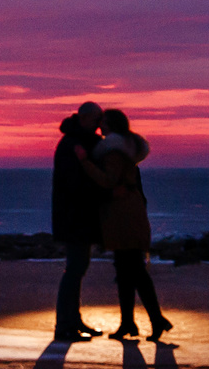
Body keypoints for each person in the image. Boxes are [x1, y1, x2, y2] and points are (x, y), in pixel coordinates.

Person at [88, 109, 171, 339]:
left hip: (123, 215)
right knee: (127, 270)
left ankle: (153, 320)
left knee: (131, 270)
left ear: (111, 125)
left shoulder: (113, 151)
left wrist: (85, 163)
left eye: (103, 123)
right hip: (131, 212)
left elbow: (108, 180)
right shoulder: (127, 151)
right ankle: (133, 323)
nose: (99, 127)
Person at [49, 102, 108, 340]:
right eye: (96, 119)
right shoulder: (74, 144)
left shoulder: (78, 141)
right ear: (85, 119)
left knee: (77, 268)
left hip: (76, 216)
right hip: (76, 217)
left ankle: (73, 321)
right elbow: (75, 184)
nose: (99, 124)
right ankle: (65, 325)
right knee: (75, 269)